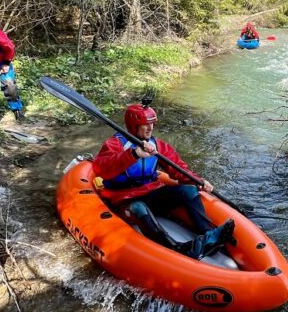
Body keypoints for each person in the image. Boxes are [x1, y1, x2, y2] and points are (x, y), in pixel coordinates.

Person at [92, 102, 235, 260]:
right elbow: (100, 169)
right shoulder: (115, 144)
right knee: (139, 207)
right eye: (145, 124)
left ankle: (208, 235)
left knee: (189, 189)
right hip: (125, 199)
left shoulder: (156, 145)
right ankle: (177, 248)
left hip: (151, 193)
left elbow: (178, 168)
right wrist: (133, 154)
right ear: (133, 125)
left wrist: (197, 180)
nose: (150, 128)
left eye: (152, 123)